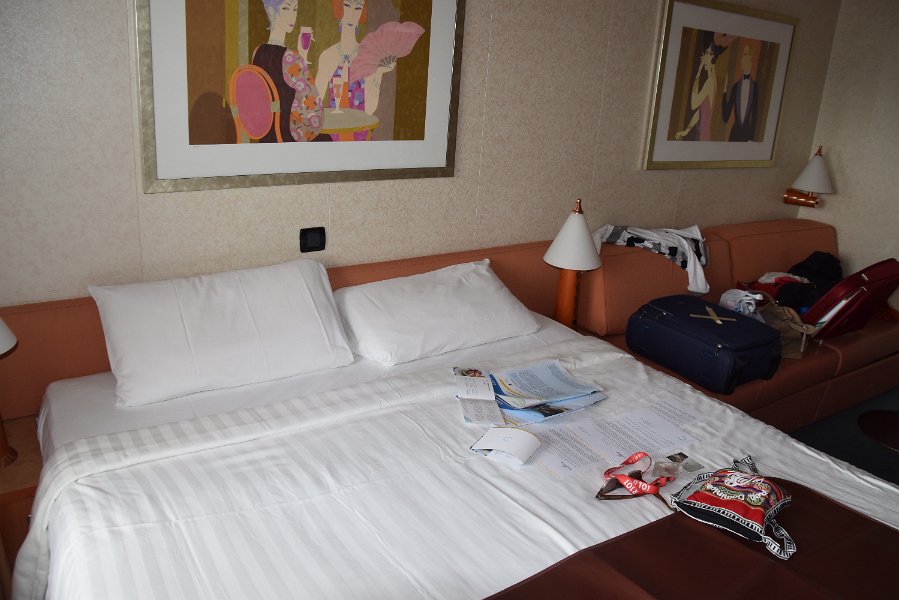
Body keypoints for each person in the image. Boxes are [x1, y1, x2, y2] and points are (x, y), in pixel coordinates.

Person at [315, 0, 396, 140]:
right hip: (333, 134)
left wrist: (378, 74)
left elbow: (370, 109)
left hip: (360, 135)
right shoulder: (328, 56)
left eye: (357, 8)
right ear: (339, 9)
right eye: (347, 6)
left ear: (362, 14)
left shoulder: (368, 56)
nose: (352, 14)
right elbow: (316, 101)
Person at [251, 0, 324, 142]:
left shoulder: (257, 52)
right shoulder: (291, 57)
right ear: (271, 11)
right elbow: (314, 108)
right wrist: (302, 57)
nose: (292, 15)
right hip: (286, 137)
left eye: (295, 9)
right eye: (286, 8)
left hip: (265, 136)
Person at [674, 37, 725, 141]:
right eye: (706, 53)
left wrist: (698, 73)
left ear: (714, 58)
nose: (705, 56)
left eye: (709, 54)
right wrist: (687, 130)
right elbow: (700, 111)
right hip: (701, 132)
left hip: (703, 134)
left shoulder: (710, 82)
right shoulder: (712, 79)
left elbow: (694, 104)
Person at [721, 44, 759, 142]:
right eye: (742, 56)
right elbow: (725, 117)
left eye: (745, 55)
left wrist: (751, 139)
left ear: (751, 60)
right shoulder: (736, 86)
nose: (742, 59)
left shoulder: (755, 87)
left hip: (747, 137)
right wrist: (724, 90)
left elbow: (755, 115)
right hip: (734, 136)